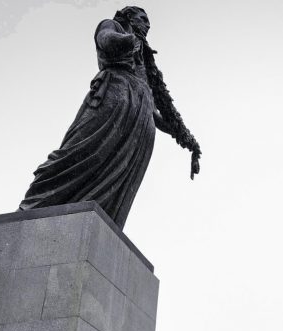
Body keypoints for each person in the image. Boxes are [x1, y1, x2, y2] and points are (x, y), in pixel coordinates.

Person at [20, 6, 201, 230]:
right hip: (114, 95)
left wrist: (191, 144)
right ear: (128, 17)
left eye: (148, 22)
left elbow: (163, 113)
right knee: (81, 151)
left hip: (140, 120)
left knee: (120, 180)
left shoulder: (146, 62)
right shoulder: (112, 26)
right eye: (142, 18)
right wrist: (131, 40)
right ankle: (35, 204)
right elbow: (106, 40)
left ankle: (95, 228)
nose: (147, 24)